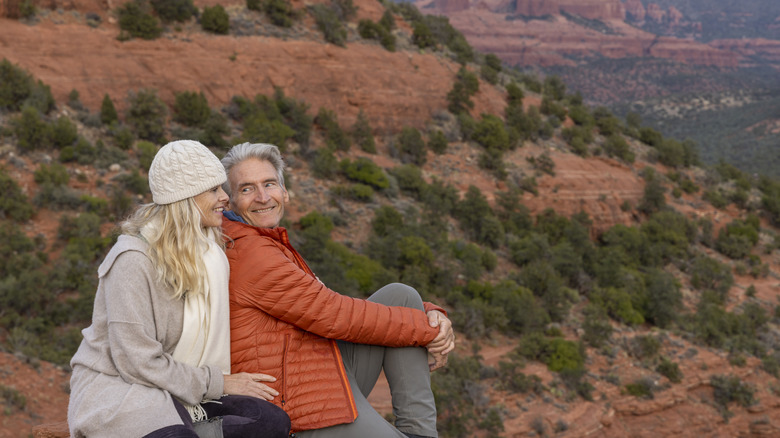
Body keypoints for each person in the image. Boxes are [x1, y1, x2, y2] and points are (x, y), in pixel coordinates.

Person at [220, 142, 456, 438]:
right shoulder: (252, 253)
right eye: (246, 189)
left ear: (285, 191)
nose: (263, 197)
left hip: (315, 366)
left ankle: (420, 433)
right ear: (228, 202)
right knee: (406, 317)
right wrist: (431, 330)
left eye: (269, 184)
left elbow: (329, 308)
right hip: (297, 405)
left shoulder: (265, 240)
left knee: (402, 296)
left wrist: (430, 313)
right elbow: (336, 314)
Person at [67, 140, 291, 438]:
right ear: (185, 199)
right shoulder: (132, 261)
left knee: (269, 421)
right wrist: (220, 383)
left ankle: (195, 423)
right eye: (213, 190)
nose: (225, 197)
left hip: (181, 390)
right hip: (124, 390)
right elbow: (137, 363)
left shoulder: (209, 248)